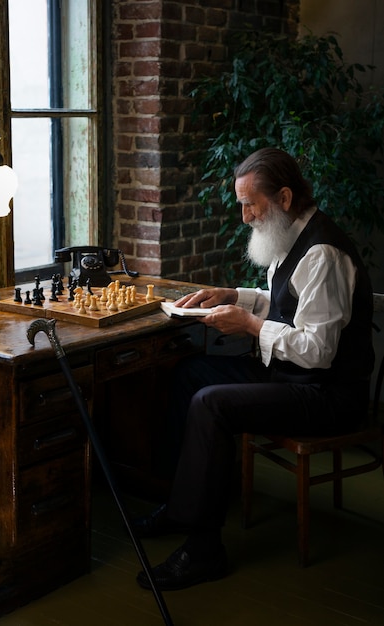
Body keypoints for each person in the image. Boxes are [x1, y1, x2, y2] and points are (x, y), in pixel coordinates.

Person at [135, 147, 375, 591]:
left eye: (251, 204)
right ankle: (180, 504)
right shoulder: (292, 235)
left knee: (211, 404)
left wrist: (247, 325)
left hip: (328, 396)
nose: (244, 216)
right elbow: (287, 308)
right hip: (292, 379)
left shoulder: (322, 253)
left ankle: (203, 550)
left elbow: (318, 350)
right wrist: (233, 296)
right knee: (190, 374)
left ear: (284, 198)